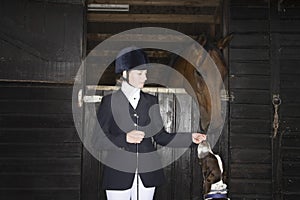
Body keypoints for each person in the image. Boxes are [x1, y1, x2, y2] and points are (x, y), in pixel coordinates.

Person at [96, 46, 206, 200]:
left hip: (148, 174)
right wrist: (124, 138)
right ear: (125, 73)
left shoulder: (151, 101)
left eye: (146, 74)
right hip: (117, 174)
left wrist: (190, 138)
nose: (145, 78)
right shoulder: (109, 102)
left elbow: (161, 137)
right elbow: (98, 140)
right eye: (139, 73)